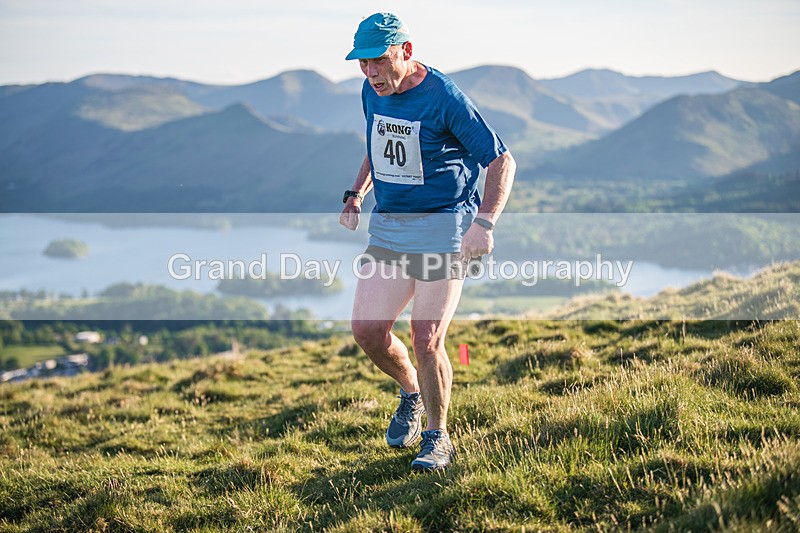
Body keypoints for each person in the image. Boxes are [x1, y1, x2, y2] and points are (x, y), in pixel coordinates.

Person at [339, 12, 515, 472]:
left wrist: (485, 224)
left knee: (426, 336)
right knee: (367, 331)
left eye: (378, 60)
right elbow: (377, 145)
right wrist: (356, 193)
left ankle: (438, 438)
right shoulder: (371, 91)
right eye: (362, 62)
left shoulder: (444, 98)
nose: (370, 71)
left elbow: (501, 160)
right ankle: (412, 393)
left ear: (406, 51)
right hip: (392, 227)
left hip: (444, 228)